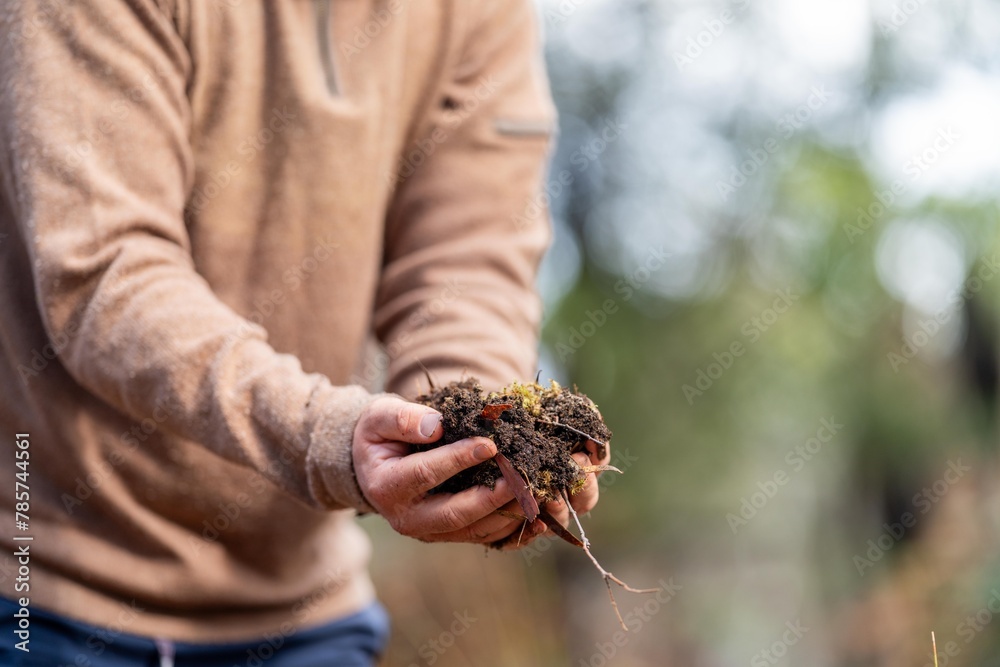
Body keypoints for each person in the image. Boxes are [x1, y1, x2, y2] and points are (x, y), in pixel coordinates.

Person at [0, 1, 609, 664]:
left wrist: (467, 447)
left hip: (307, 614)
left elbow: (468, 265)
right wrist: (329, 434)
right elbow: (107, 277)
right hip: (49, 596)